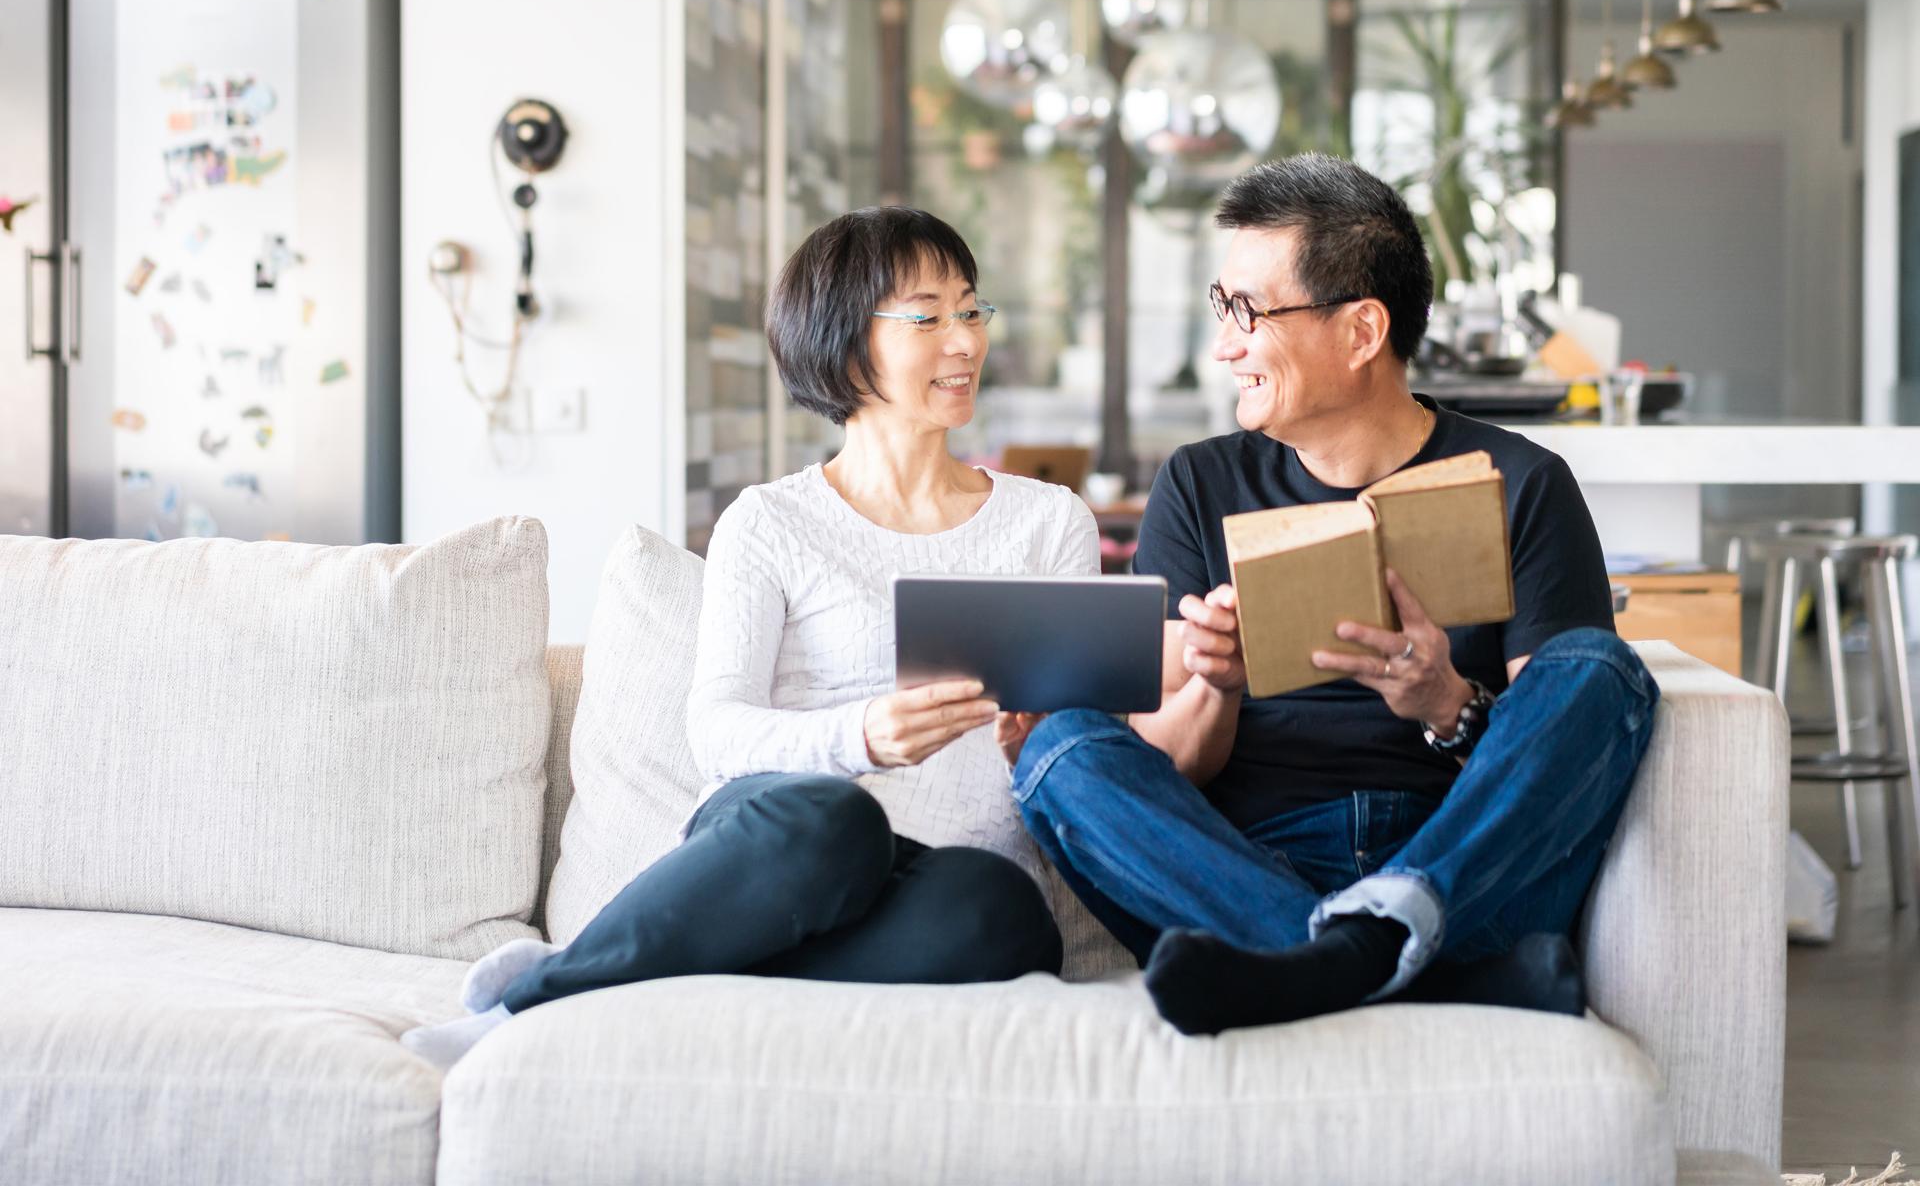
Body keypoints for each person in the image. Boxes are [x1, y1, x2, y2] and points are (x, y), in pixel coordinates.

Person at [403, 206, 1098, 1068]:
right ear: (845, 343)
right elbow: (718, 730)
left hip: (942, 877)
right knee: (835, 817)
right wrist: (862, 735)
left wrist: (1046, 732)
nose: (963, 340)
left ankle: (648, 982)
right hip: (791, 842)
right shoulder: (770, 522)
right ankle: (534, 1005)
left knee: (1006, 919)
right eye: (927, 316)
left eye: (970, 309)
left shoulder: (1048, 522)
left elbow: (1078, 726)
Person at [1000, 153, 1658, 1036]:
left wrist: (1445, 702)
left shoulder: (1523, 482)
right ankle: (1400, 966)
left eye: (1249, 312)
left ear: (1360, 331)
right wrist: (1216, 684)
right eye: (1220, 308)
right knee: (1062, 747)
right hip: (1247, 862)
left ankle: (1328, 957)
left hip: (1456, 856)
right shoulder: (1199, 484)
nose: (1225, 343)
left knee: (1598, 666)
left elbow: (1557, 754)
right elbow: (1172, 761)